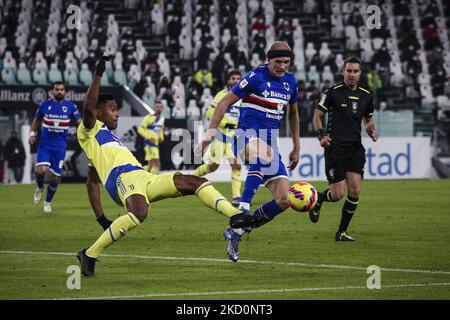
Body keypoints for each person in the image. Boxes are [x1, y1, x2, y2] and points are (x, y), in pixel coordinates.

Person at [76, 56, 258, 276]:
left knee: (194, 182)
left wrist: (101, 218)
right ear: (97, 113)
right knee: (139, 213)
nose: (117, 113)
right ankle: (90, 254)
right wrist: (98, 74)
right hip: (122, 178)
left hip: (141, 177)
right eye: (113, 109)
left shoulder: (105, 140)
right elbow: (87, 108)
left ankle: (234, 215)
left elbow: (91, 183)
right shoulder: (89, 130)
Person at [196, 41, 300, 262]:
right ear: (268, 60)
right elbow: (223, 103)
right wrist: (208, 135)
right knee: (265, 154)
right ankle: (242, 210)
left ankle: (237, 231)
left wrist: (296, 145)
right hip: (245, 137)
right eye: (278, 61)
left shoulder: (290, 83)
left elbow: (293, 115)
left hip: (270, 144)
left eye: (286, 62)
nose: (282, 66)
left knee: (284, 199)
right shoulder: (255, 77)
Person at [309, 56, 379, 241]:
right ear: (343, 72)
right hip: (335, 148)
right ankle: (319, 199)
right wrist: (321, 135)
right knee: (338, 194)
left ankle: (341, 232)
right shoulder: (332, 92)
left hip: (355, 148)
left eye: (356, 71)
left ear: (360, 73)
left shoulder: (366, 95)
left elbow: (368, 119)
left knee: (355, 191)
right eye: (349, 71)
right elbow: (317, 116)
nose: (352, 75)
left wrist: (371, 130)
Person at [29, 81, 81, 213]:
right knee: (41, 170)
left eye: (61, 89)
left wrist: (83, 136)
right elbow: (36, 120)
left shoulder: (71, 107)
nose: (59, 91)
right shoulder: (44, 105)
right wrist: (32, 134)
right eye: (57, 89)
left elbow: (79, 123)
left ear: (65, 92)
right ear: (53, 91)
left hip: (60, 147)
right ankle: (40, 188)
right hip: (45, 145)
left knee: (54, 177)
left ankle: (47, 202)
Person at [193, 70, 243, 207]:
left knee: (236, 165)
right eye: (233, 78)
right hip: (221, 134)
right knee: (213, 166)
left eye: (238, 78)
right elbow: (210, 112)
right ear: (228, 81)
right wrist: (223, 122)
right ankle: (193, 176)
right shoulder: (221, 95)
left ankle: (237, 196)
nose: (236, 80)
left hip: (234, 135)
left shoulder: (244, 97)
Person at [137, 100, 165, 174]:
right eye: (157, 107)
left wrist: (161, 138)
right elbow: (140, 129)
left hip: (156, 144)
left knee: (150, 165)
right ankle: (153, 180)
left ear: (163, 108)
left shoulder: (162, 118)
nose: (159, 108)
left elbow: (160, 129)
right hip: (149, 143)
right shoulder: (148, 117)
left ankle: (138, 174)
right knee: (157, 163)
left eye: (160, 107)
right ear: (154, 108)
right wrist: (149, 137)